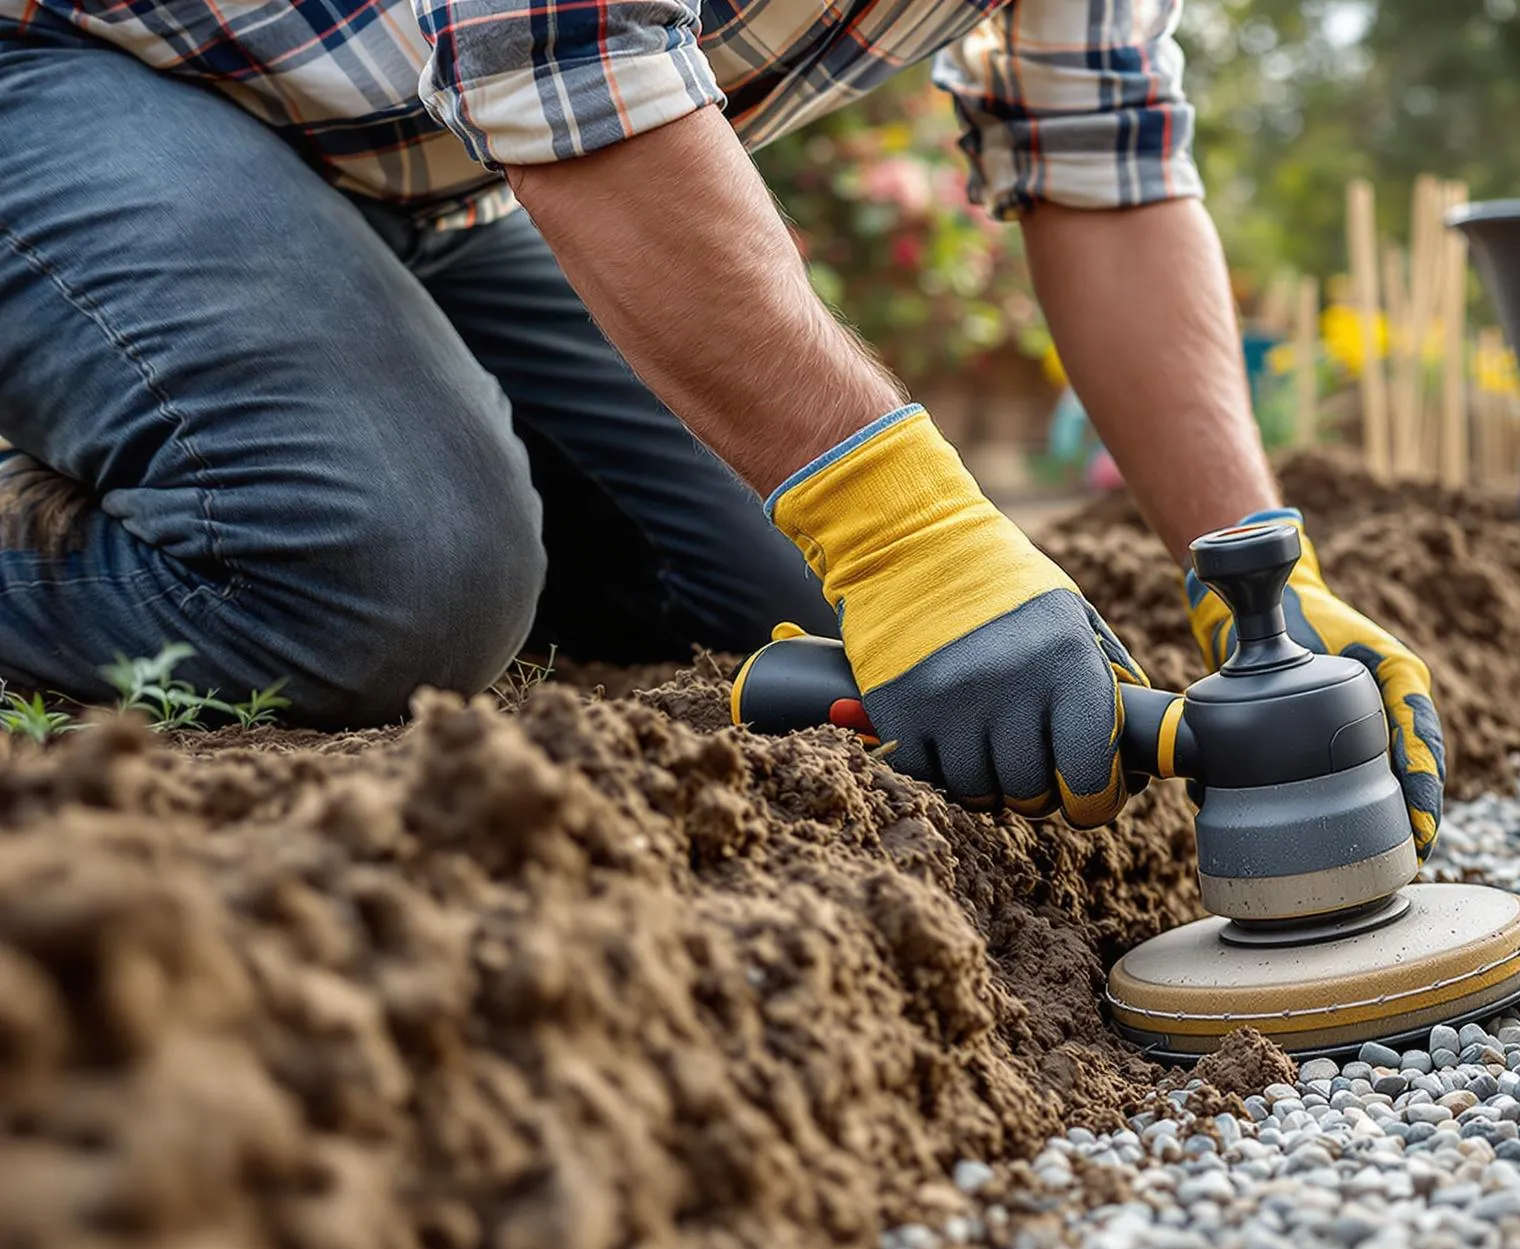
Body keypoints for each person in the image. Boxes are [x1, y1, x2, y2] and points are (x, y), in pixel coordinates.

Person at [0, 0, 1443, 853]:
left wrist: (1258, 568)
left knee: (795, 586)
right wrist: (909, 527)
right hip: (63, 64)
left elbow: (1103, 154)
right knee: (387, 575)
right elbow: (559, 43)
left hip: (396, 163)